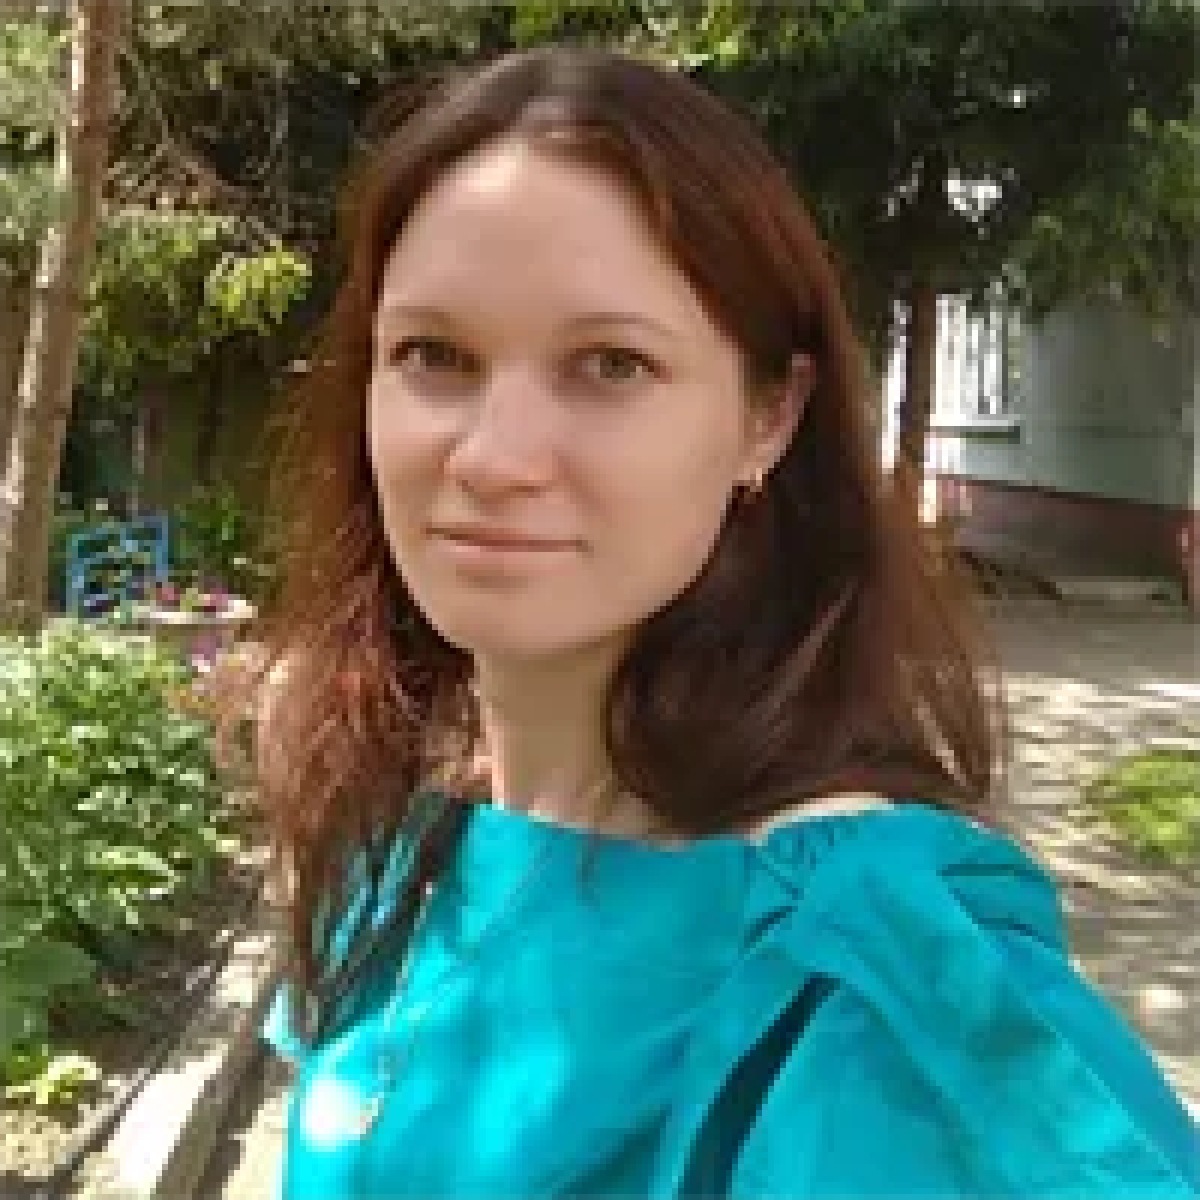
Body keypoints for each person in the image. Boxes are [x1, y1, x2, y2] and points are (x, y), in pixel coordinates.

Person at [247, 47, 1197, 1198]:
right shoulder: (402, 838)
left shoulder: (851, 974)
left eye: (610, 364)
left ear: (769, 417)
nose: (491, 458)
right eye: (433, 355)